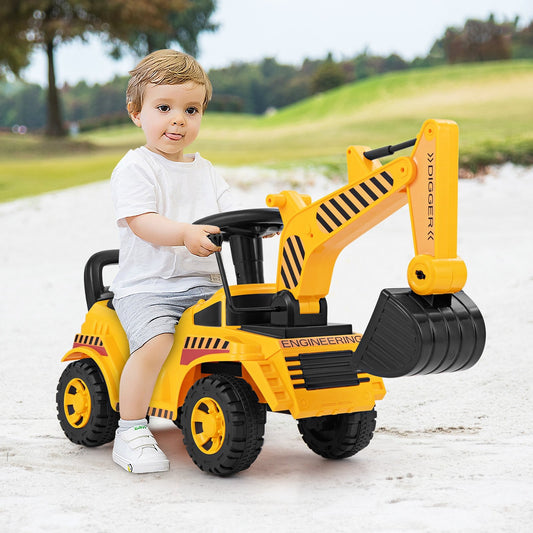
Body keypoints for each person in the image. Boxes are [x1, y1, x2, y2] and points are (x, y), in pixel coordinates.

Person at [109, 49, 235, 474]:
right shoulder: (136, 167)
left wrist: (267, 221)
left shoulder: (207, 171)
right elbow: (142, 222)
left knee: (247, 331)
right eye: (164, 108)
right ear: (136, 113)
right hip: (150, 288)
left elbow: (230, 213)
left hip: (206, 288)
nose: (178, 119)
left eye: (191, 109)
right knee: (158, 341)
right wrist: (184, 233)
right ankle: (130, 429)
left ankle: (228, 403)